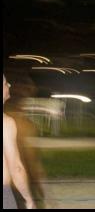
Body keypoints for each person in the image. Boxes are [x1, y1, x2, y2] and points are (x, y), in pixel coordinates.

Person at [3, 74, 36, 209]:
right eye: (5, 83)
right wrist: (29, 199)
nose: (8, 86)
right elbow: (16, 168)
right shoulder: (6, 123)